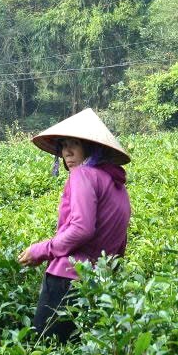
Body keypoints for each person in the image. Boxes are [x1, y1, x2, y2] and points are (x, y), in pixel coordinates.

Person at [18, 108, 132, 342]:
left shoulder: (83, 175)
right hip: (98, 282)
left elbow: (81, 228)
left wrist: (40, 250)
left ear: (90, 147)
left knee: (44, 349)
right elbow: (121, 241)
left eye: (75, 144)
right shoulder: (118, 186)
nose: (67, 152)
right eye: (63, 145)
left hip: (67, 278)